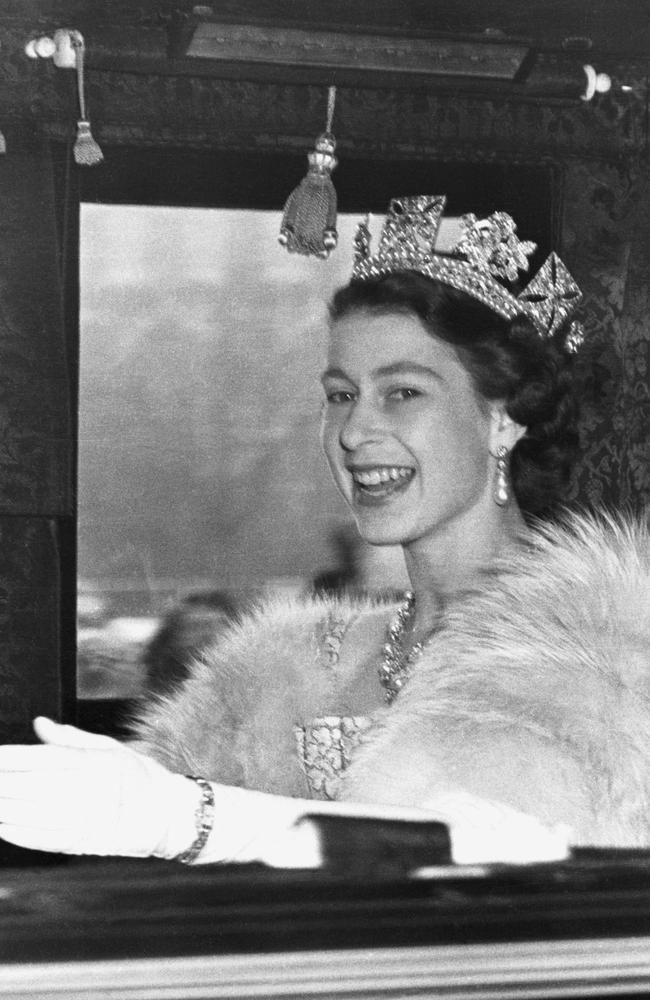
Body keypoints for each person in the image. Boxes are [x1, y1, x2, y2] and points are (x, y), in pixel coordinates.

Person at [0, 195, 648, 868]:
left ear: (504, 419)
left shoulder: (609, 656)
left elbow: (473, 869)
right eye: (340, 394)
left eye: (402, 392)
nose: (355, 431)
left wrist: (183, 819)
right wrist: (138, 786)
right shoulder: (285, 672)